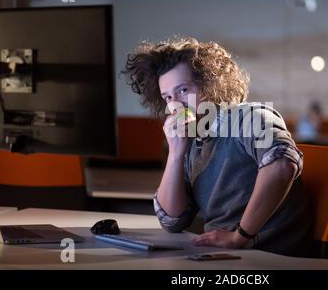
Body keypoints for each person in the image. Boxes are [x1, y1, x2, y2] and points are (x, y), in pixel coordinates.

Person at [123, 37, 312, 256]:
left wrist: (239, 236)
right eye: (167, 97)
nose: (175, 105)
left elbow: (281, 166)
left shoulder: (249, 117)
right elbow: (171, 220)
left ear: (211, 85)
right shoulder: (193, 140)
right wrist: (175, 154)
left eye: (183, 90)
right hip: (224, 256)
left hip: (267, 256)